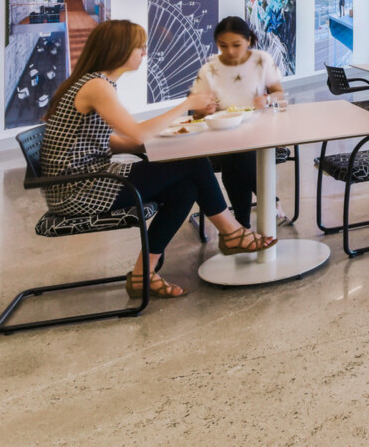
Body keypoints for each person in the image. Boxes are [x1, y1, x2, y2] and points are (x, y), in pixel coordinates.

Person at [41, 19, 276, 300]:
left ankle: (143, 275)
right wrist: (187, 105)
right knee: (192, 162)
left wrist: (146, 148)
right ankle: (233, 233)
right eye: (139, 47)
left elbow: (102, 141)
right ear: (118, 50)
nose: (144, 53)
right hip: (80, 189)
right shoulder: (97, 86)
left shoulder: (92, 83)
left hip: (83, 180)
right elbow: (137, 131)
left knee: (185, 188)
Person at [191, 16, 286, 227]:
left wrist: (267, 98)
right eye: (223, 46)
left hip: (260, 130)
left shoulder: (262, 60)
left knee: (236, 161)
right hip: (223, 134)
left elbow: (280, 94)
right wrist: (203, 109)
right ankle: (270, 202)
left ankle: (242, 224)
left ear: (249, 40)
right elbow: (196, 111)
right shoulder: (209, 69)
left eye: (237, 45)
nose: (231, 51)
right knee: (237, 157)